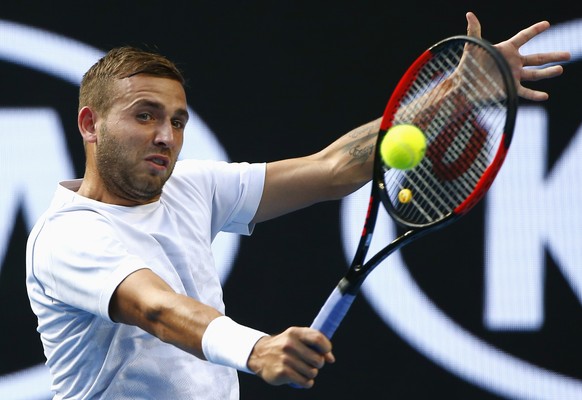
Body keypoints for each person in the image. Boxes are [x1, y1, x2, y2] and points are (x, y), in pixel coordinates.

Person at [26, 11, 570, 399]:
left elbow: (333, 169)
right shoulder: (67, 235)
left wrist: (452, 93)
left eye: (177, 120)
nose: (166, 135)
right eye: (145, 115)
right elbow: (158, 309)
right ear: (90, 125)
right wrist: (258, 349)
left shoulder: (191, 188)